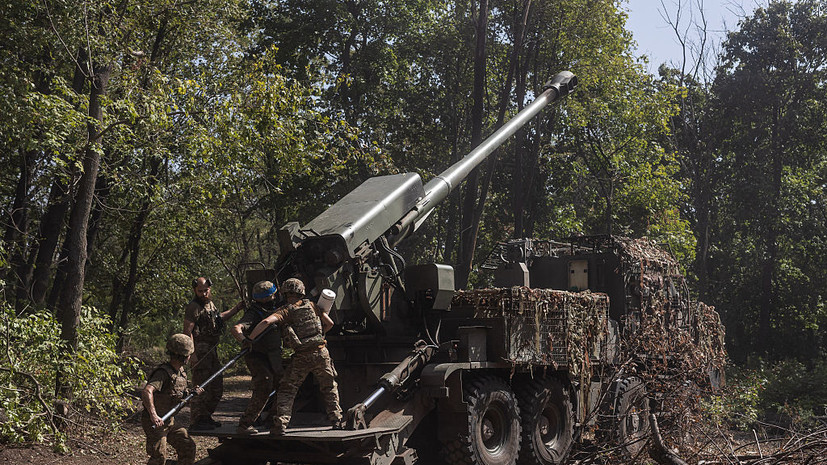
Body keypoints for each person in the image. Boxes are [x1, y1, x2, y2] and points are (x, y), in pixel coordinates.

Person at [248, 278, 342, 436]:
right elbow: (330, 323)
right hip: (321, 353)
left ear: (285, 293)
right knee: (329, 387)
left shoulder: (285, 310)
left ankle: (281, 425)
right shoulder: (312, 305)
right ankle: (336, 420)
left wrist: (250, 339)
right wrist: (319, 335)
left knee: (287, 390)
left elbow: (266, 322)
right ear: (302, 292)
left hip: (302, 356)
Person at [183, 277, 244, 430]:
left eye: (206, 290)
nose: (204, 294)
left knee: (216, 387)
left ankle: (206, 416)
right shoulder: (193, 307)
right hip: (200, 352)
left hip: (212, 351)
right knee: (200, 387)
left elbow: (218, 319)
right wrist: (192, 353)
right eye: (200, 291)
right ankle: (196, 421)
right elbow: (187, 331)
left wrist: (237, 308)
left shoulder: (210, 304)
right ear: (195, 290)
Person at [230, 280, 285, 434]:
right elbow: (236, 328)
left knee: (282, 385)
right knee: (264, 385)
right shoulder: (254, 313)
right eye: (272, 296)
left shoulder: (276, 308)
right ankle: (245, 424)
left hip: (273, 356)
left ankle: (271, 419)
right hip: (257, 356)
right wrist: (245, 340)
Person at [141, 334, 202, 465]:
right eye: (188, 355)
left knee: (188, 446)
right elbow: (147, 391)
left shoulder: (180, 372)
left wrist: (192, 393)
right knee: (159, 457)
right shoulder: (163, 373)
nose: (190, 357)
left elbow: (176, 394)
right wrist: (153, 415)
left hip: (169, 421)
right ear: (182, 356)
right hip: (156, 422)